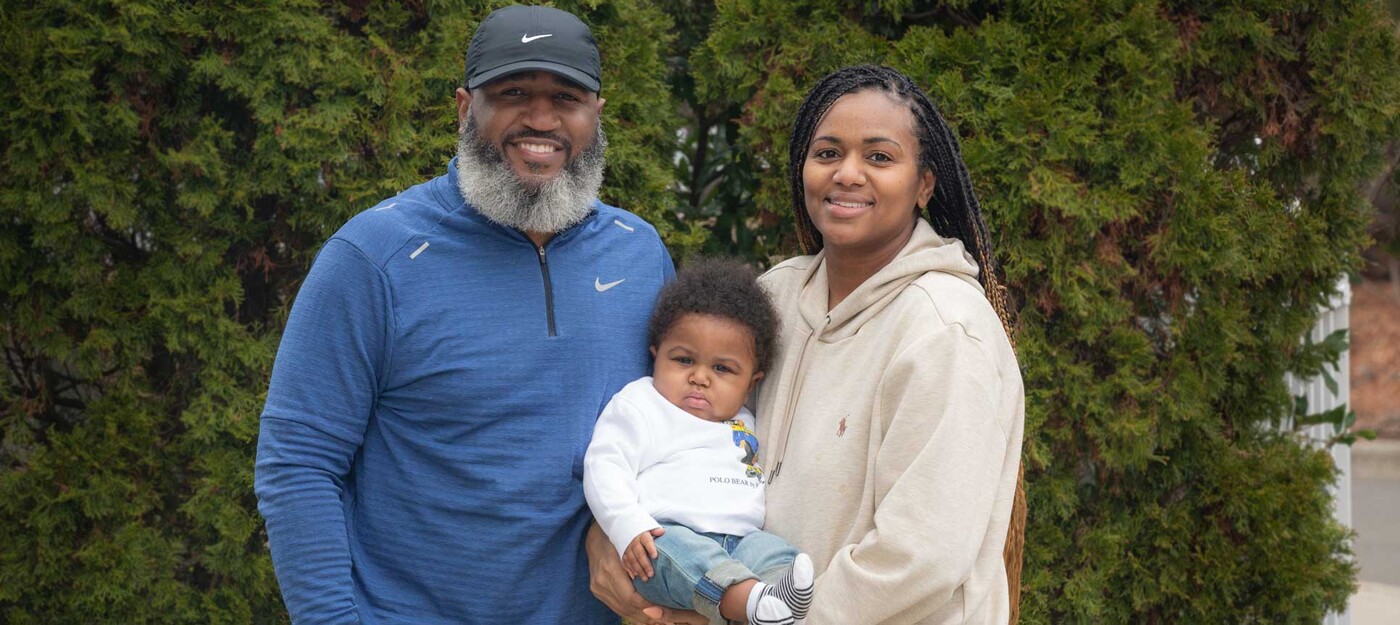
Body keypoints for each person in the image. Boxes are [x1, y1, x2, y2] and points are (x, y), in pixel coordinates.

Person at [254, 5, 676, 624]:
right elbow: (299, 463)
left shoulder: (639, 252)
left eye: (566, 97)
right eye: (512, 93)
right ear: (463, 108)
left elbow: (676, 429)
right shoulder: (374, 256)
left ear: (596, 115)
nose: (541, 118)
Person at [590, 65, 1025, 624]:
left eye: (880, 157)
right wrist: (613, 535)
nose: (847, 173)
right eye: (827, 153)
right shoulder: (775, 297)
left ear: (925, 184)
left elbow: (920, 558)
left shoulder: (946, 331)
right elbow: (667, 438)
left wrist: (751, 616)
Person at [583, 260, 814, 625]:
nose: (700, 378)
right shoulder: (642, 404)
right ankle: (750, 604)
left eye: (722, 369)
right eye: (684, 359)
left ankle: (775, 598)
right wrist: (626, 524)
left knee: (774, 551)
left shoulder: (745, 419)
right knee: (679, 553)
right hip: (661, 538)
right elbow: (604, 467)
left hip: (740, 542)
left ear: (752, 382)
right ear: (656, 354)